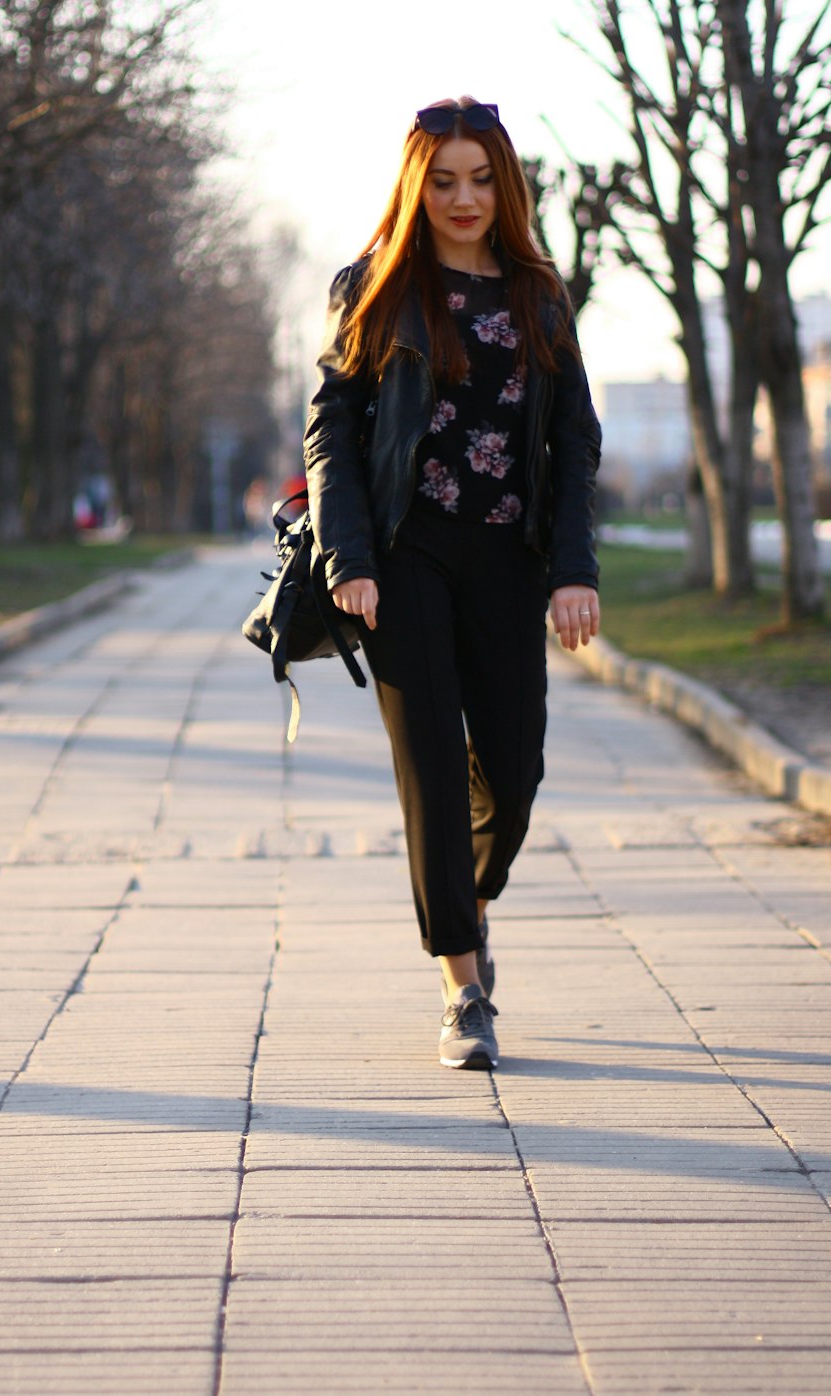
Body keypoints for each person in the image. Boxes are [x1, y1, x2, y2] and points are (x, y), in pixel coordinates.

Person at [303, 97, 602, 1071]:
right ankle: (463, 989)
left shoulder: (537, 294)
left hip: (509, 561)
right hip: (407, 557)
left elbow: (574, 439)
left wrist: (571, 570)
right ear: (415, 185)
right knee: (432, 768)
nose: (463, 197)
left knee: (511, 776)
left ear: (503, 185)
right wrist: (349, 558)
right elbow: (333, 432)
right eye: (443, 180)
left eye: (480, 178)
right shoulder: (376, 287)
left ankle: (469, 897)